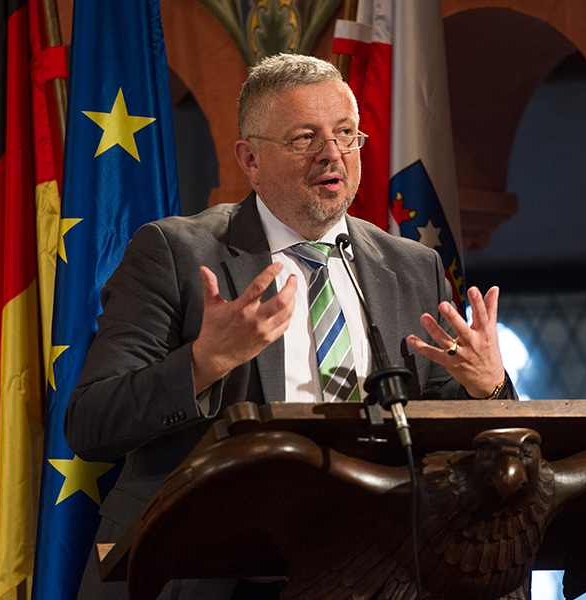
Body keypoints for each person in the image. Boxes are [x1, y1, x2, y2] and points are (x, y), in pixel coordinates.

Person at [65, 53, 512, 600]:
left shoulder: (412, 267)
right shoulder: (175, 253)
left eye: (346, 134)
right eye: (305, 138)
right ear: (250, 160)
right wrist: (205, 363)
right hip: (210, 570)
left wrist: (489, 386)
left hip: (375, 567)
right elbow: (90, 423)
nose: (333, 154)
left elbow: (451, 437)